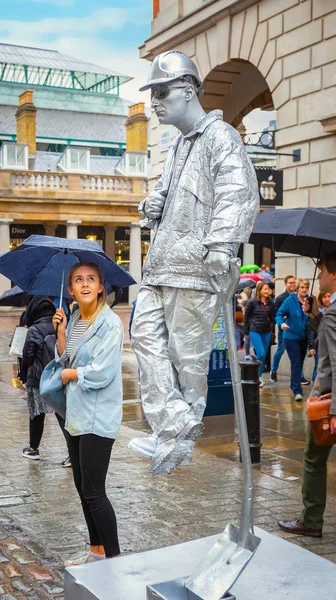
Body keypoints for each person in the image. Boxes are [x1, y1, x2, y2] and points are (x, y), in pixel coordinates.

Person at [128, 51, 259, 475]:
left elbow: (237, 191)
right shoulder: (179, 146)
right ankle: (171, 421)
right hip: (162, 263)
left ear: (187, 90)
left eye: (161, 92)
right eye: (153, 94)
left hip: (196, 267)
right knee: (145, 337)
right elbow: (169, 195)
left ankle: (181, 430)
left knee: (188, 356)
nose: (155, 102)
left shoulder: (221, 136)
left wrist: (222, 245)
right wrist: (154, 204)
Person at [53, 262, 123, 561]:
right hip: (75, 413)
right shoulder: (72, 319)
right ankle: (97, 551)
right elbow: (65, 357)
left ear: (100, 287)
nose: (84, 284)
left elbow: (102, 373)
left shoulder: (110, 324)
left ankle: (115, 559)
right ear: (70, 289)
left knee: (95, 490)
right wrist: (59, 332)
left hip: (98, 415)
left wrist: (72, 375)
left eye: (90, 279)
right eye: (78, 280)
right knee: (82, 487)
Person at [278, 251, 336, 537]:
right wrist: (314, 314)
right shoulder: (330, 311)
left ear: (333, 274)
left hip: (328, 401)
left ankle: (311, 520)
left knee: (313, 458)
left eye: (322, 271)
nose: (320, 277)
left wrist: (334, 408)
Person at [22, 295, 71, 464]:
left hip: (37, 378)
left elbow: (27, 356)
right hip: (58, 376)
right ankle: (73, 451)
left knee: (36, 414)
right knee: (62, 413)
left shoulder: (34, 330)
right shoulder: (60, 326)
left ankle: (33, 449)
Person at [276, 278, 310, 401]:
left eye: (306, 287)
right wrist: (281, 324)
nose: (304, 289)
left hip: (304, 337)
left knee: (299, 363)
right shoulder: (290, 300)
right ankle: (297, 390)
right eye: (302, 287)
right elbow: (279, 314)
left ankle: (293, 384)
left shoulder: (310, 300)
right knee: (295, 363)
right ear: (297, 288)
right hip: (290, 336)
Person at [243, 282, 275, 386]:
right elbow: (246, 317)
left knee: (263, 355)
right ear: (259, 291)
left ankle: (259, 376)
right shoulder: (252, 302)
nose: (267, 291)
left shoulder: (271, 302)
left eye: (268, 289)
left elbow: (273, 316)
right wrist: (246, 331)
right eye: (265, 289)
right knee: (260, 353)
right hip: (255, 330)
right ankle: (255, 374)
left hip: (267, 331)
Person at [270, 275, 300, 382]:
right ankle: (273, 370)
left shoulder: (299, 296)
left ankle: (300, 375)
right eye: (290, 283)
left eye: (293, 282)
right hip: (284, 329)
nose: (292, 285)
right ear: (285, 284)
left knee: (298, 352)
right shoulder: (280, 298)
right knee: (280, 350)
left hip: (297, 329)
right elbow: (275, 315)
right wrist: (282, 321)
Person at [308, 291, 331, 385]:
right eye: (324, 297)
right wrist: (311, 346)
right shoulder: (317, 311)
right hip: (320, 343)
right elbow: (311, 330)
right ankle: (315, 386)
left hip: (330, 342)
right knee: (319, 365)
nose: (327, 299)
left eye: (329, 296)